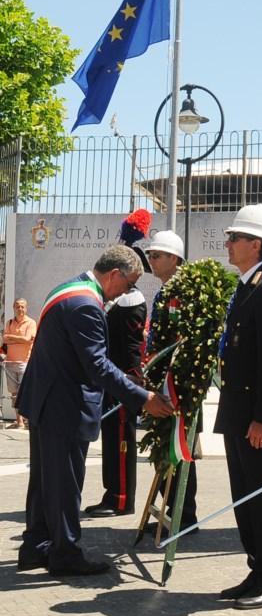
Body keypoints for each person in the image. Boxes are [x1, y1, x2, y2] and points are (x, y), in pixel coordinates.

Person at [16, 245, 173, 577]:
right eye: (128, 284)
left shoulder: (67, 288)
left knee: (45, 481)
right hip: (65, 406)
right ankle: (65, 553)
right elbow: (99, 366)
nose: (126, 292)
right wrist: (144, 397)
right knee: (64, 484)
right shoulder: (87, 304)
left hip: (46, 400)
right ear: (114, 274)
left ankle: (36, 546)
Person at [214, 204, 262, 610]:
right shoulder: (246, 286)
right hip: (237, 408)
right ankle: (257, 569)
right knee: (244, 495)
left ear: (255, 245)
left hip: (256, 415)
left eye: (235, 237)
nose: (228, 243)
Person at [85, 209, 152, 518]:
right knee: (112, 441)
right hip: (113, 380)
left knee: (121, 442)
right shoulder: (116, 300)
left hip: (124, 380)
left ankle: (121, 498)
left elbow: (127, 348)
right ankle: (112, 492)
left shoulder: (129, 299)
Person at [145, 229, 199, 529]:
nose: (151, 260)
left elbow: (182, 340)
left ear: (174, 258)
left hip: (178, 385)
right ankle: (173, 513)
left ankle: (183, 515)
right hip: (163, 381)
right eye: (151, 255)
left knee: (179, 451)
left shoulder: (182, 291)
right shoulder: (166, 290)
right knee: (168, 449)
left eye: (157, 255)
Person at [2, 298, 37, 429]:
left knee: (26, 391)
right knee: (14, 394)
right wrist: (19, 340)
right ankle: (19, 421)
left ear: (26, 308)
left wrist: (12, 338)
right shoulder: (9, 322)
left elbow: (28, 340)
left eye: (22, 306)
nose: (20, 309)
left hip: (24, 362)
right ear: (13, 308)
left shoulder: (31, 323)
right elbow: (4, 339)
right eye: (17, 306)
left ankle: (29, 421)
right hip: (10, 362)